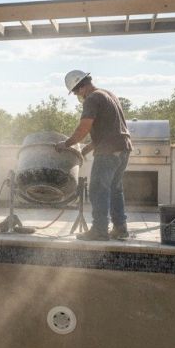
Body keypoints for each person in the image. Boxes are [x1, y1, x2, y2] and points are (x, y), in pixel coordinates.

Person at [55, 70, 132, 242]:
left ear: (80, 87)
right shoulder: (108, 94)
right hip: (123, 148)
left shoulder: (91, 99)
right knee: (115, 189)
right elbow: (109, 130)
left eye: (75, 92)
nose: (77, 95)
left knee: (98, 190)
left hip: (108, 152)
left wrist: (66, 144)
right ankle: (120, 228)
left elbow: (84, 128)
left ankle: (99, 230)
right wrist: (85, 150)